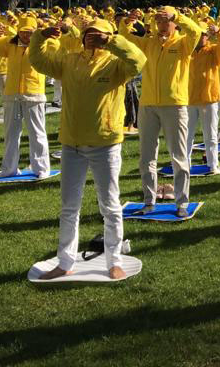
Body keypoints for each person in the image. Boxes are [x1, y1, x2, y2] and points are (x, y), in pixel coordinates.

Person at [28, 17, 146, 280]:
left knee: (110, 205)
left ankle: (114, 260)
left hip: (105, 143)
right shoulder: (69, 61)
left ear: (108, 36)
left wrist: (113, 41)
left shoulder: (116, 64)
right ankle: (65, 261)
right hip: (72, 144)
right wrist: (42, 36)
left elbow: (139, 61)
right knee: (69, 207)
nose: (92, 38)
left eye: (98, 34)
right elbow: (37, 60)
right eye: (88, 33)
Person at [120, 7, 202, 214]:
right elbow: (124, 39)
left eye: (166, 20)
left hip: (174, 104)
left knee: (179, 156)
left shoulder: (183, 43)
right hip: (147, 104)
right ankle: (149, 201)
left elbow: (196, 32)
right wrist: (127, 22)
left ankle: (182, 203)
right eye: (158, 20)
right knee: (146, 157)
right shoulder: (148, 42)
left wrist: (178, 16)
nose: (162, 24)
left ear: (174, 23)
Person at [0, 16, 52, 178]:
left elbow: (56, 44)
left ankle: (41, 169)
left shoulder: (42, 44)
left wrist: (43, 33)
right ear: (18, 32)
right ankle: (9, 169)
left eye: (30, 32)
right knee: (11, 134)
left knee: (37, 133)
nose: (27, 36)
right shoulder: (10, 44)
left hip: (33, 94)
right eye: (24, 32)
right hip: (12, 95)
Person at [187, 25, 220, 174]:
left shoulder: (213, 50)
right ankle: (184, 165)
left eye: (204, 34)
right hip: (190, 98)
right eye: (198, 34)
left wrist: (219, 31)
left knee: (211, 135)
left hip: (209, 97)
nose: (201, 37)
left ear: (208, 36)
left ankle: (213, 165)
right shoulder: (188, 51)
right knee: (186, 135)